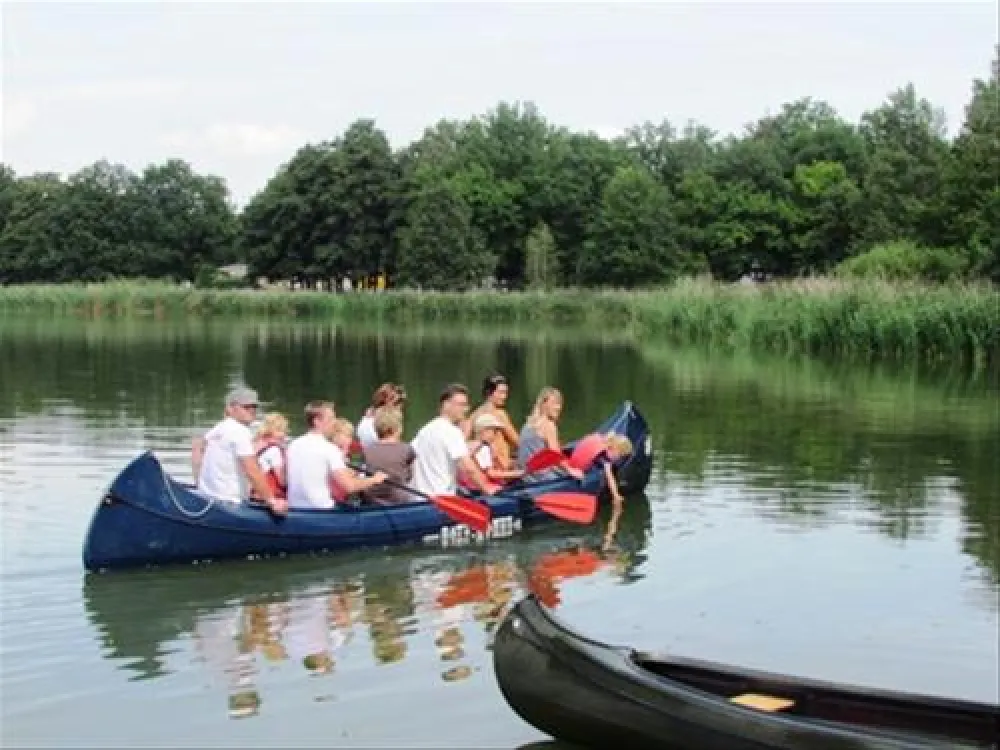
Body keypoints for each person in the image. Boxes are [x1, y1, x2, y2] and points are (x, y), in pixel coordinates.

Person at [191, 386, 286, 514]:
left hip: (208, 500)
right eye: (246, 407)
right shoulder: (240, 431)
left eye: (254, 407)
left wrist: (199, 483)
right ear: (230, 408)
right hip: (229, 505)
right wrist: (272, 501)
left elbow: (197, 448)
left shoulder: (218, 429)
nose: (252, 410)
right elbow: (251, 470)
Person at [285, 401, 387, 510]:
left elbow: (286, 479)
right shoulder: (330, 449)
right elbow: (349, 486)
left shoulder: (293, 445)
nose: (334, 422)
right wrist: (375, 479)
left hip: (294, 508)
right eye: (331, 419)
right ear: (316, 421)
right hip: (322, 510)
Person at [410, 384, 497, 497]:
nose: (466, 409)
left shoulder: (425, 430)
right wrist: (487, 489)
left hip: (419, 499)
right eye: (461, 405)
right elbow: (468, 468)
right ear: (446, 405)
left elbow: (411, 460)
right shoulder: (452, 432)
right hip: (442, 500)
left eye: (466, 405)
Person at [517, 386, 584, 480]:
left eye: (559, 404)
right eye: (554, 403)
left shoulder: (528, 424)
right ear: (543, 404)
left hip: (525, 478)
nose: (558, 407)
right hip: (541, 479)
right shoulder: (548, 425)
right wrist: (571, 470)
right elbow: (555, 455)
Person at [362, 407, 417, 505]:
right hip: (397, 500)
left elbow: (366, 474)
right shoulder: (407, 449)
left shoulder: (367, 450)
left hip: (372, 500)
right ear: (397, 429)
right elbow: (410, 476)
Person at [468, 373, 519, 470]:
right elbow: (517, 442)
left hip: (485, 467)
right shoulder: (500, 414)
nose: (504, 396)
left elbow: (464, 441)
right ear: (489, 392)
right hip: (502, 467)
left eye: (506, 393)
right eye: (501, 392)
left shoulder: (474, 414)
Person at [465, 413, 524, 486]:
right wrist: (518, 473)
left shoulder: (475, 446)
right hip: (482, 490)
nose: (497, 434)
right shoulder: (482, 448)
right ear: (485, 431)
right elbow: (491, 474)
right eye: (495, 431)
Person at [252, 412, 289, 500]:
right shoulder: (274, 450)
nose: (284, 434)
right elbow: (282, 481)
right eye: (282, 430)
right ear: (272, 430)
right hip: (270, 497)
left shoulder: (257, 444)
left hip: (255, 494)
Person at [357, 383, 406, 447]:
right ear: (384, 402)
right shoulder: (383, 423)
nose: (400, 406)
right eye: (397, 402)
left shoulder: (366, 419)